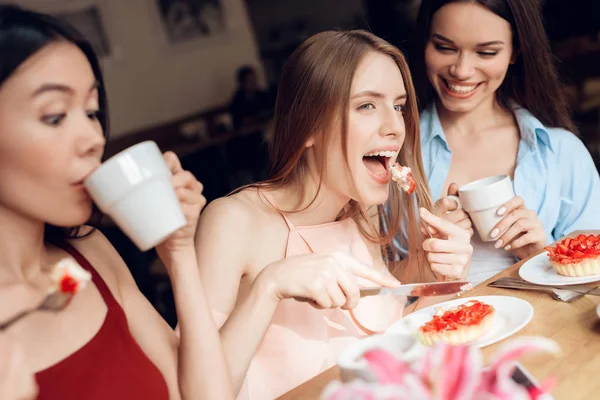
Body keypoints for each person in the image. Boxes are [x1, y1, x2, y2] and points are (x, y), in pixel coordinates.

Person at [196, 30, 473, 399]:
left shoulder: (362, 211)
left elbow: (387, 362)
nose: (395, 127)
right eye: (366, 106)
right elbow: (196, 393)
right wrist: (269, 286)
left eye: (399, 106)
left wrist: (443, 278)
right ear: (308, 125)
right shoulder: (231, 221)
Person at [0, 5, 232, 399]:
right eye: (55, 116)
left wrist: (179, 254)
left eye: (91, 111)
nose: (94, 137)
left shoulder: (89, 252)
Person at [410, 0, 600, 284]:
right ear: (425, 43)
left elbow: (592, 286)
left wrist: (541, 254)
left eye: (486, 52)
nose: (461, 70)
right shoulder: (392, 153)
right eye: (445, 48)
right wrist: (421, 256)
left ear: (515, 52)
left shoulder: (562, 152)